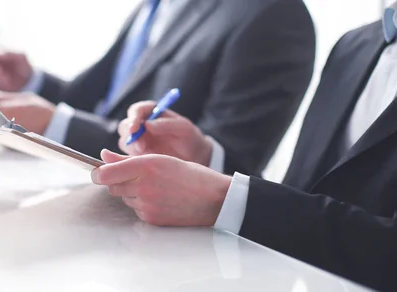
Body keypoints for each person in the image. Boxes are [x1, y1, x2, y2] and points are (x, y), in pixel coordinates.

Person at [91, 5, 397, 291]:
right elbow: (304, 194)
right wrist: (204, 156)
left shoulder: (276, 15)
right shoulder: (355, 45)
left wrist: (223, 199)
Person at [0, 0, 316, 175]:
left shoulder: (272, 15)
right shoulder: (155, 6)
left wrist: (54, 124)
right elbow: (105, 101)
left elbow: (224, 164)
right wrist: (32, 83)